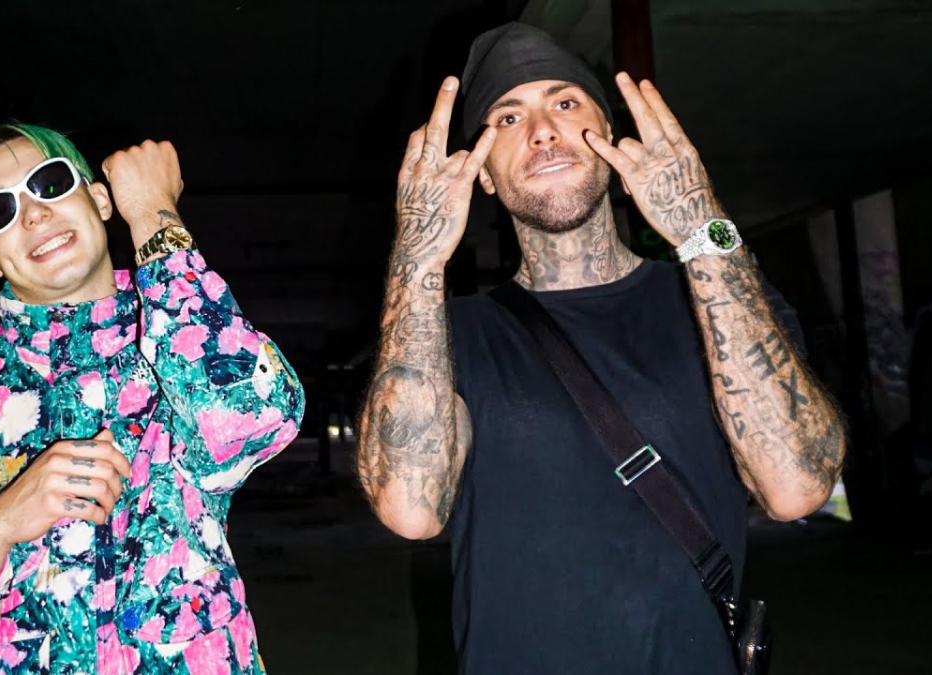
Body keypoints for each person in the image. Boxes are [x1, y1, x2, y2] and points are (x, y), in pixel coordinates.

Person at [356, 22, 846, 674]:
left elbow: (797, 486)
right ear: (485, 176)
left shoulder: (715, 299)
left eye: (564, 103)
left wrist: (702, 228)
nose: (541, 131)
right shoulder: (452, 332)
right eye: (508, 117)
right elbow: (410, 509)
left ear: (610, 139)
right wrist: (416, 258)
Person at [0, 123, 304, 674]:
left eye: (49, 183)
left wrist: (153, 217)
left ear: (100, 200)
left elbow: (257, 419)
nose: (32, 213)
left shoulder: (175, 340)